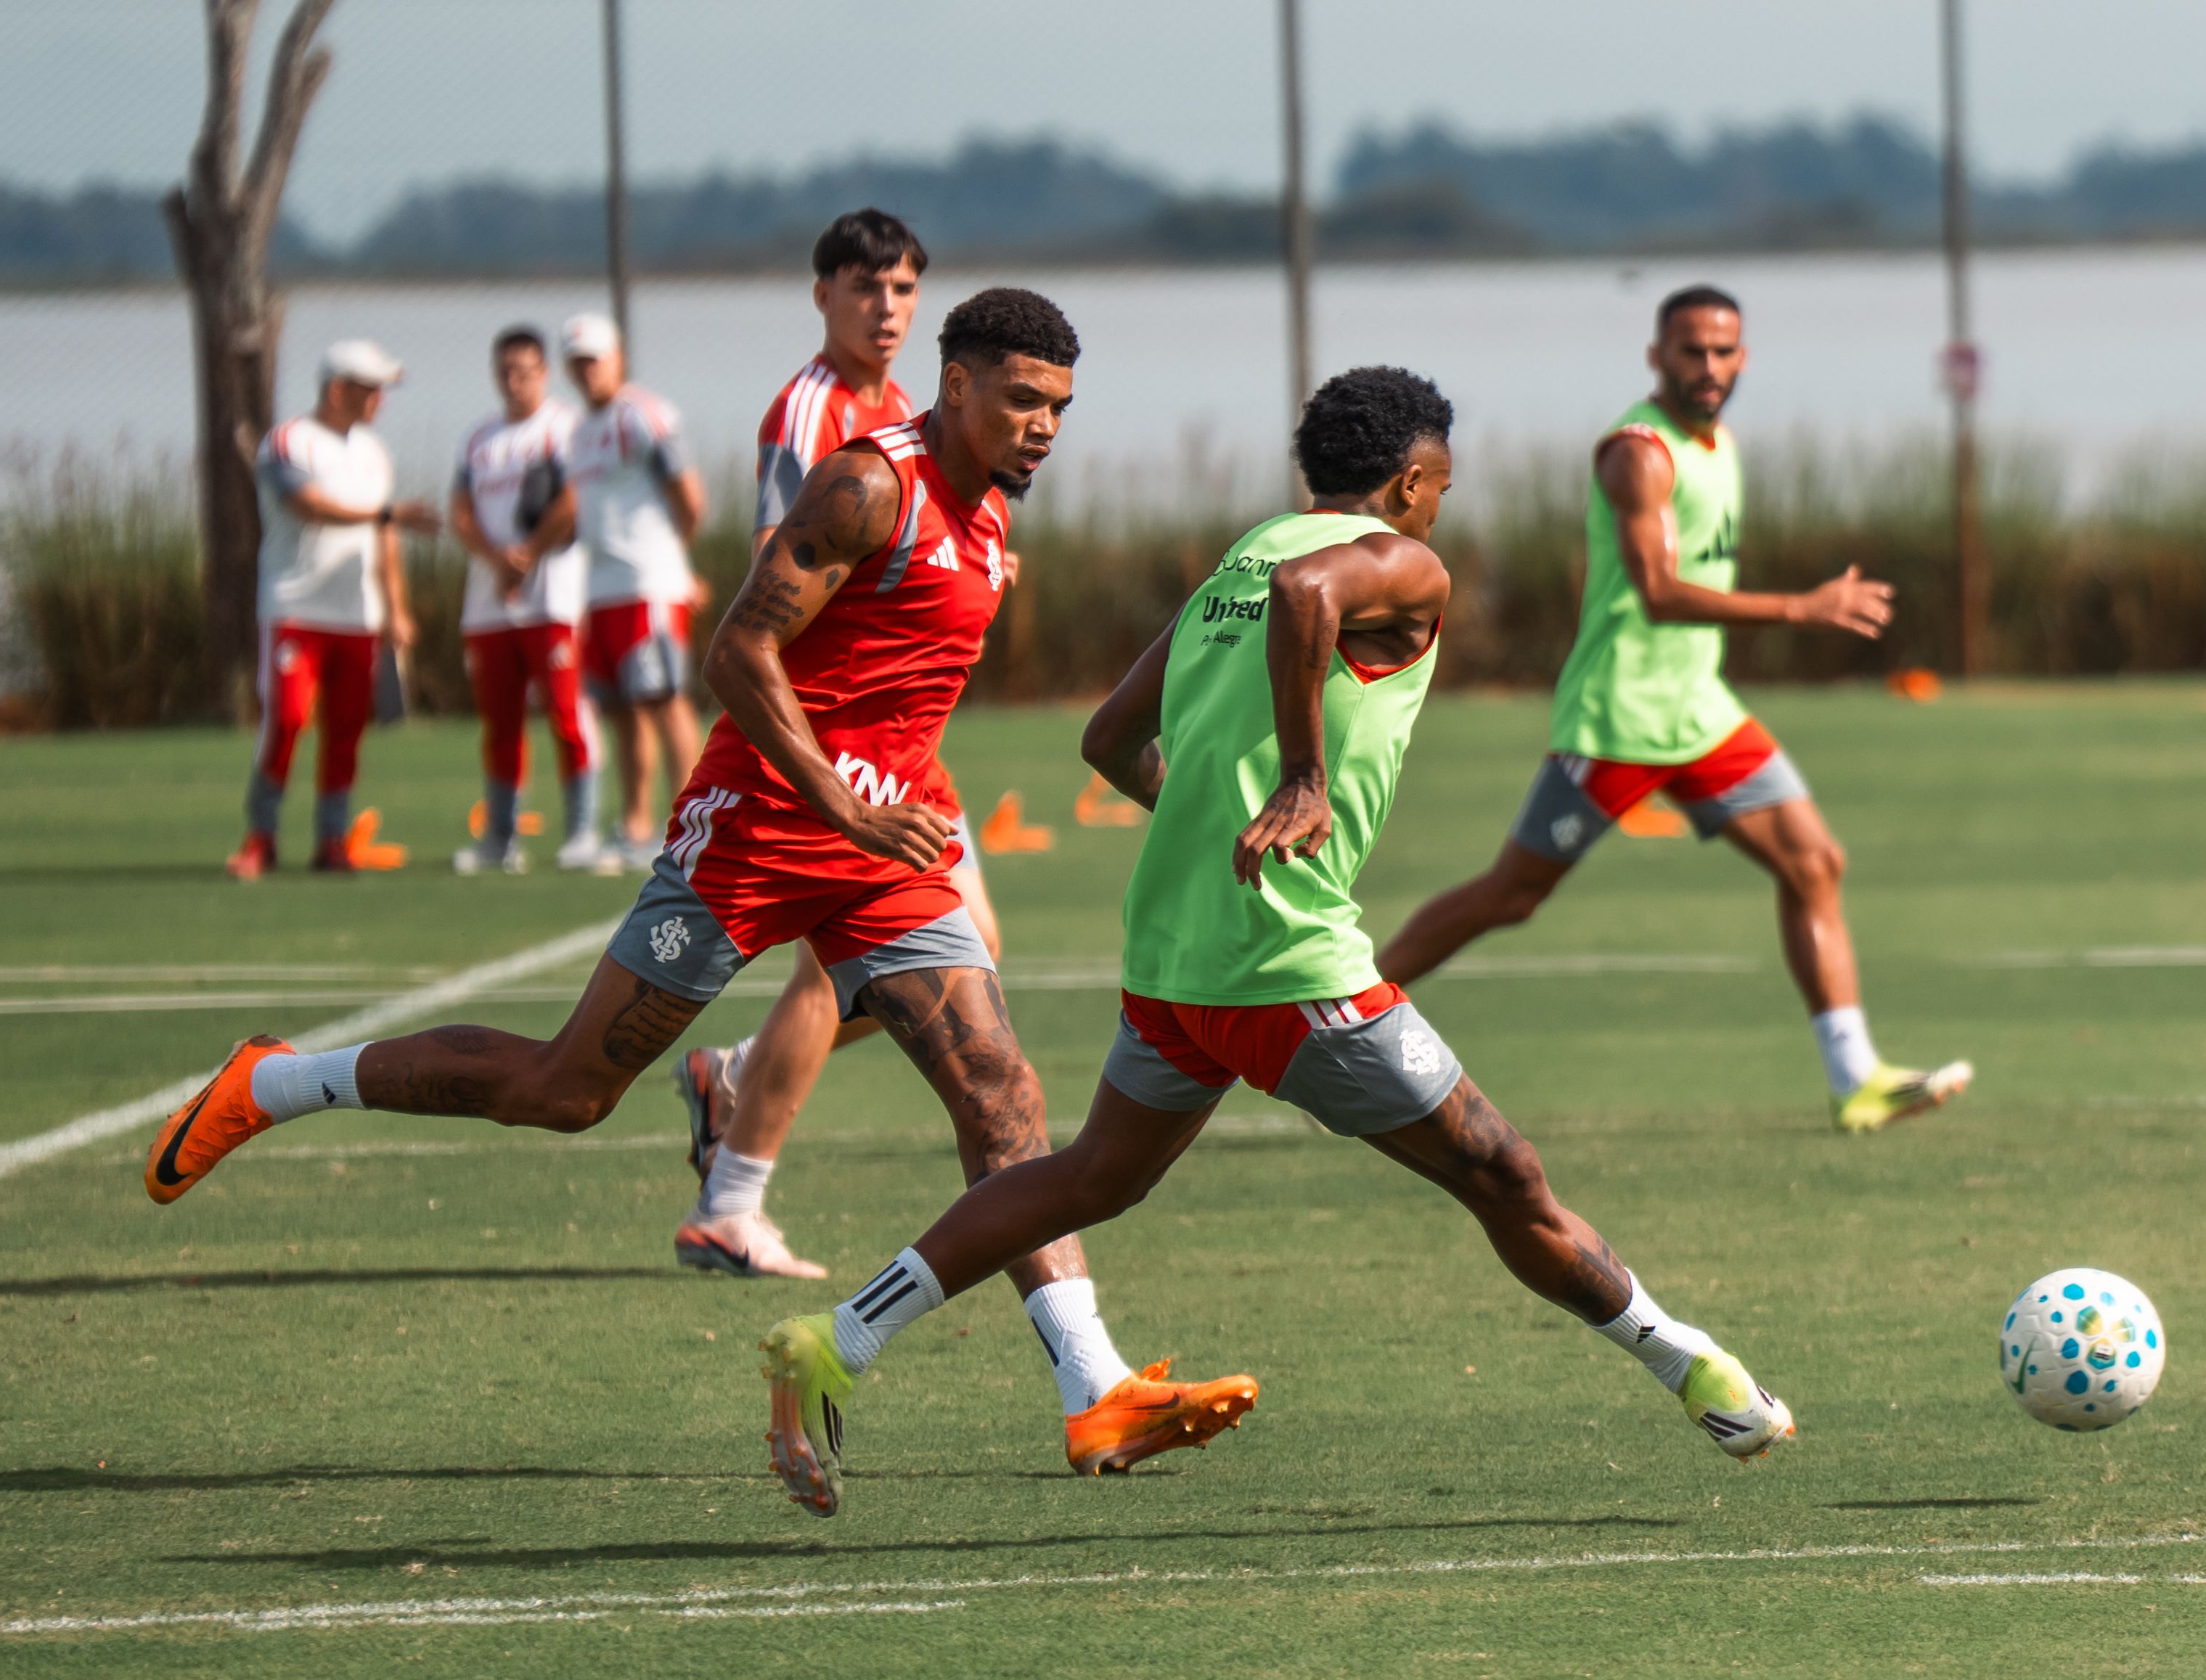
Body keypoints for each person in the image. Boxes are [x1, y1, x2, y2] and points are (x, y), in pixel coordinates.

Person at [142, 288, 1212, 1471]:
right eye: (1020, 398)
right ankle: (283, 1081)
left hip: (880, 859)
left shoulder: (992, 515)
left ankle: (1091, 1383)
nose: (1042, 426)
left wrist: (884, 812)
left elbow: (887, 686)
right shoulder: (869, 485)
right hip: (751, 838)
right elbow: (737, 652)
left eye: (1058, 405)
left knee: (1001, 1091)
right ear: (955, 386)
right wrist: (842, 798)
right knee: (566, 1088)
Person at [755, 364, 1787, 1516]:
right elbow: (1312, 593)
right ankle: (1690, 1363)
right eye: (1439, 485)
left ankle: (840, 1337)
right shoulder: (1397, 563)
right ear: (1410, 482)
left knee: (1091, 1175)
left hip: (1174, 951)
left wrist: (1212, 824)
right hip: (1288, 962)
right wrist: (1301, 779)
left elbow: (1109, 737)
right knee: (1506, 1175)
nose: (1441, 506)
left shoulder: (1241, 557)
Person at [1374, 285, 1972, 1134]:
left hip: (1700, 712)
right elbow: (1654, 592)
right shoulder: (1640, 453)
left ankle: (1857, 1080)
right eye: (1691, 350)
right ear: (1656, 358)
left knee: (1814, 862)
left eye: (1725, 351)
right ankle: (1342, 1010)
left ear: (1745, 358)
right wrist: (1801, 609)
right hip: (1620, 718)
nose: (1710, 366)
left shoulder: (1719, 442)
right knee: (1512, 895)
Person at [663, 210, 1026, 1274]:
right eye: (867, 288)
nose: (888, 309)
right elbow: (786, 585)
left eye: (906, 289)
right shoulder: (816, 413)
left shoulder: (904, 409)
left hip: (899, 735)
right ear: (823, 294)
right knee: (853, 968)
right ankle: (730, 1198)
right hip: (836, 742)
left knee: (970, 944)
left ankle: (734, 1080)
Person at [234, 339, 412, 880]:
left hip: (358, 616)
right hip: (294, 610)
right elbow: (307, 505)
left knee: (346, 729)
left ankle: (331, 839)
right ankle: (260, 836)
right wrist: (382, 513)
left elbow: (384, 536)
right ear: (338, 390)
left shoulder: (375, 453)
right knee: (286, 720)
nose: (380, 399)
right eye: (370, 388)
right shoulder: (288, 442)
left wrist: (397, 608)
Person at [550, 308, 708, 867]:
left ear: (616, 358)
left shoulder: (645, 414)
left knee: (665, 700)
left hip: (650, 584)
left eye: (593, 359)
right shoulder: (577, 430)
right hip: (600, 590)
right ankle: (637, 824)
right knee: (622, 711)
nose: (585, 371)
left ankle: (694, 822)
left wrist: (675, 562)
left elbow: (689, 495)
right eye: (576, 362)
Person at [446, 323, 598, 874]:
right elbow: (459, 511)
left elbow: (574, 499)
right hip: (489, 603)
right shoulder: (479, 438)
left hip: (551, 597)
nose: (515, 382)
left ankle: (583, 828)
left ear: (545, 374)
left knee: (565, 711)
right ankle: (499, 837)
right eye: (506, 372)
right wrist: (495, 558)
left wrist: (528, 553)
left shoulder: (565, 427)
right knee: (500, 721)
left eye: (526, 372)